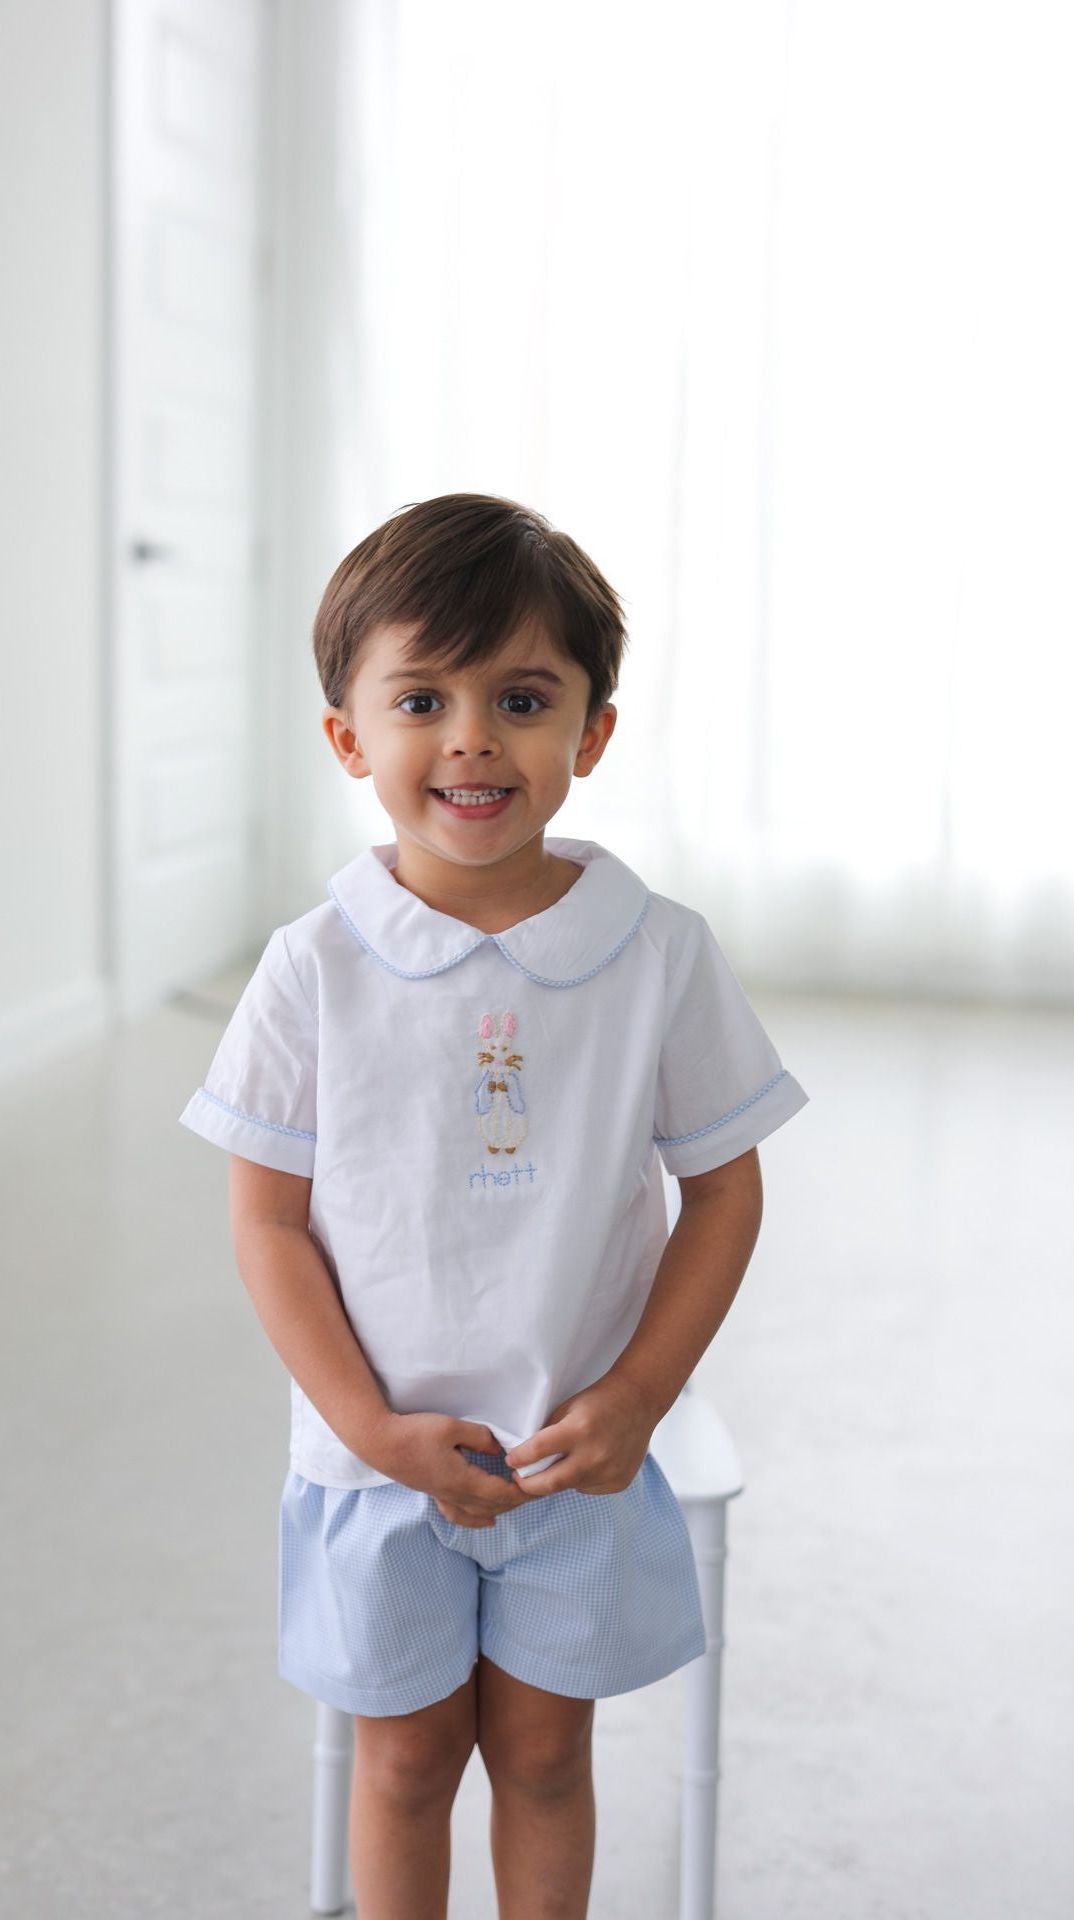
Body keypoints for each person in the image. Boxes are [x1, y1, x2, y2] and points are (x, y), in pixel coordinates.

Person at [178, 492, 810, 1920]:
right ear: (350, 737)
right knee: (404, 1765)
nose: (471, 737)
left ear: (589, 734)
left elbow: (723, 1191)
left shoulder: (656, 955)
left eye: (521, 699)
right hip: (374, 1463)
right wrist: (367, 1427)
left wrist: (642, 1392)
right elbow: (267, 1225)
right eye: (423, 699)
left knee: (539, 1755)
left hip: (571, 1453)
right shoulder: (313, 968)